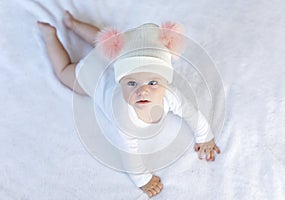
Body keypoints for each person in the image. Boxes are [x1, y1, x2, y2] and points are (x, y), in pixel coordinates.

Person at [38, 11, 221, 198]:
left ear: (166, 82)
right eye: (132, 83)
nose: (142, 91)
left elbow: (191, 112)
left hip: (115, 58)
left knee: (104, 42)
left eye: (152, 83)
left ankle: (74, 24)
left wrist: (204, 135)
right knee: (64, 72)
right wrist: (143, 179)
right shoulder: (125, 117)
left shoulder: (171, 95)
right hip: (93, 76)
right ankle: (50, 36)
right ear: (121, 83)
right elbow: (129, 154)